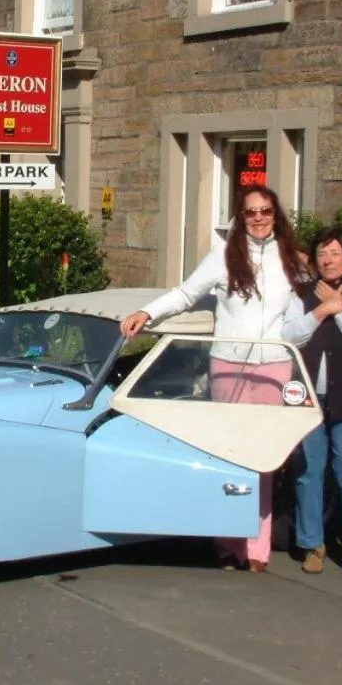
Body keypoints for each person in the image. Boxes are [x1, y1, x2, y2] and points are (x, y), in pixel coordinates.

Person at [120, 184, 303, 573]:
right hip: (228, 364)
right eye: (251, 212)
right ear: (241, 217)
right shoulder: (223, 255)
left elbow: (315, 297)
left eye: (265, 211)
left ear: (276, 215)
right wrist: (147, 313)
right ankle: (226, 542)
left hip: (274, 366)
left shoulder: (290, 257)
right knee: (228, 456)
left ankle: (257, 548)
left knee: (264, 462)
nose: (258, 219)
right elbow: (186, 294)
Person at [281, 225, 342, 582]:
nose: (328, 260)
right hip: (306, 398)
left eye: (336, 253)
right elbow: (289, 336)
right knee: (308, 472)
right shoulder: (301, 294)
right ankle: (312, 543)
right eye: (322, 253)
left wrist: (339, 309)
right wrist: (321, 310)